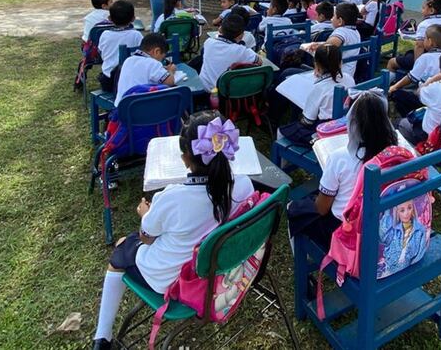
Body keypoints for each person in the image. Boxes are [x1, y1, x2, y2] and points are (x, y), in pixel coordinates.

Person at [91, 113, 254, 350]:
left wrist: (145, 214)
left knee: (122, 247)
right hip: (217, 268)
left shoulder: (170, 197)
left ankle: (102, 338)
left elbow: (147, 238)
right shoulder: (243, 184)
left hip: (173, 279)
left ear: (186, 158)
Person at [287, 93, 397, 251]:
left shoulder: (340, 157)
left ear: (352, 123)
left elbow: (322, 208)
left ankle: (306, 261)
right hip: (385, 228)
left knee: (295, 209)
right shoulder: (395, 153)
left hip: (347, 235)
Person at [272, 44, 345, 144]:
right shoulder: (349, 78)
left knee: (282, 131)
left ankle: (282, 156)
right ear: (341, 63)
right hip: (342, 125)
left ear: (317, 65)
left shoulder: (319, 88)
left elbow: (308, 121)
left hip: (322, 131)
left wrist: (301, 118)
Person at [388, 24, 441, 117]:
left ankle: (409, 117)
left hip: (425, 98)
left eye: (425, 38)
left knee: (397, 94)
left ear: (430, 42)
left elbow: (410, 78)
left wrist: (394, 87)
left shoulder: (425, 58)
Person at [386, 0, 441, 73]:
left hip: (427, 57)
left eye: (423, 8)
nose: (421, 10)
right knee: (407, 55)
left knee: (391, 62)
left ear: (431, 10)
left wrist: (417, 67)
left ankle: (391, 84)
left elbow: (419, 46)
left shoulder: (424, 25)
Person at [199, 14, 262, 90]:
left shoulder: (208, 42)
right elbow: (259, 61)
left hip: (205, 89)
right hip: (227, 93)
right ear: (241, 35)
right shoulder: (241, 51)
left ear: (220, 29)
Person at [304, 2, 360, 83]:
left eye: (334, 16)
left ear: (340, 21)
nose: (331, 19)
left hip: (334, 77)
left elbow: (325, 50)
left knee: (288, 72)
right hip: (348, 74)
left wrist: (309, 47)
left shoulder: (341, 32)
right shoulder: (356, 32)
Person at [115, 33, 177, 105]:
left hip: (122, 108)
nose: (161, 62)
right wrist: (171, 71)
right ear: (156, 51)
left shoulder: (128, 60)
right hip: (142, 108)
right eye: (162, 58)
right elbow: (170, 82)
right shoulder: (153, 63)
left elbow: (142, 70)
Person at [97, 0, 143, 93]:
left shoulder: (105, 34)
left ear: (109, 18)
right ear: (133, 18)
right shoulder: (136, 35)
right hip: (131, 81)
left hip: (108, 81)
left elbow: (101, 53)